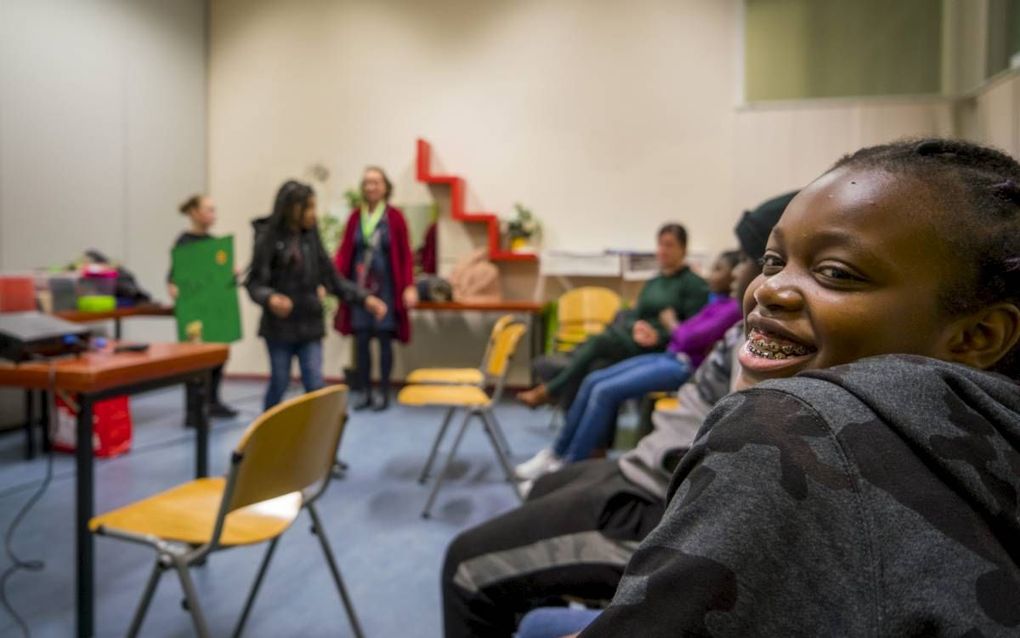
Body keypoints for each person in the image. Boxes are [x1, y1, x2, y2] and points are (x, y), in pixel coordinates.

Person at [580, 139, 1020, 637]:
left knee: (482, 578)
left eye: (835, 272)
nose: (767, 289)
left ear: (976, 336)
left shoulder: (785, 425)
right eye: (772, 261)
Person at [440, 192, 794, 638]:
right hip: (648, 444)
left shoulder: (750, 318)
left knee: (465, 565)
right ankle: (557, 461)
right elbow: (661, 323)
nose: (742, 273)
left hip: (658, 472)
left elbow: (687, 337)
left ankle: (553, 414)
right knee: (583, 401)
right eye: (759, 260)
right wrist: (644, 326)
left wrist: (661, 328)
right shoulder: (727, 310)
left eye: (757, 261)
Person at [515, 250, 743, 481]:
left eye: (719, 270)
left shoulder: (730, 308)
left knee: (604, 390)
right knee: (593, 379)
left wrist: (672, 324)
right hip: (670, 355)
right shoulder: (715, 301)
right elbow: (684, 334)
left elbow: (687, 337)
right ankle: (555, 454)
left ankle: (567, 467)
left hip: (685, 367)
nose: (711, 275)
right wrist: (666, 328)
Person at [517, 223, 710, 409]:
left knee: (600, 342)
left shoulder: (694, 284)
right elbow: (635, 314)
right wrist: (637, 327)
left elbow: (694, 330)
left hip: (664, 348)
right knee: (597, 366)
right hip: (636, 339)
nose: (663, 250)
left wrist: (660, 335)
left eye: (669, 245)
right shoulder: (654, 281)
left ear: (683, 249)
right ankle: (595, 441)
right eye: (660, 244)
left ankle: (550, 390)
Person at [246, 180, 386, 411]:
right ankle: (264, 433)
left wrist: (364, 298)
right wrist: (270, 298)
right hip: (279, 329)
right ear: (291, 209)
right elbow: (254, 283)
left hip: (309, 325)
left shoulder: (311, 237)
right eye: (308, 207)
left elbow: (332, 278)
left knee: (314, 383)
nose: (313, 214)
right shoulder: (267, 238)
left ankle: (316, 440)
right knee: (279, 382)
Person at [334, 166, 416, 411]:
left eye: (376, 182)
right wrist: (333, 281)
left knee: (383, 341)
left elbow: (406, 254)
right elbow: (345, 252)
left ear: (385, 187)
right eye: (367, 182)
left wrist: (409, 286)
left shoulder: (395, 218)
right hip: (360, 291)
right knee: (361, 342)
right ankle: (365, 392)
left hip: (387, 289)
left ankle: (383, 392)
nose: (371, 187)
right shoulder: (354, 218)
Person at [167, 194, 237, 419]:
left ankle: (213, 401)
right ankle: (193, 409)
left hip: (214, 312)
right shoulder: (184, 242)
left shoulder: (215, 245)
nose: (212, 214)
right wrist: (174, 287)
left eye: (214, 210)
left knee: (217, 357)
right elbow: (174, 277)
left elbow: (220, 279)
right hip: (195, 314)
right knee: (194, 361)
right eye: (208, 209)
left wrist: (230, 273)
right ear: (194, 212)